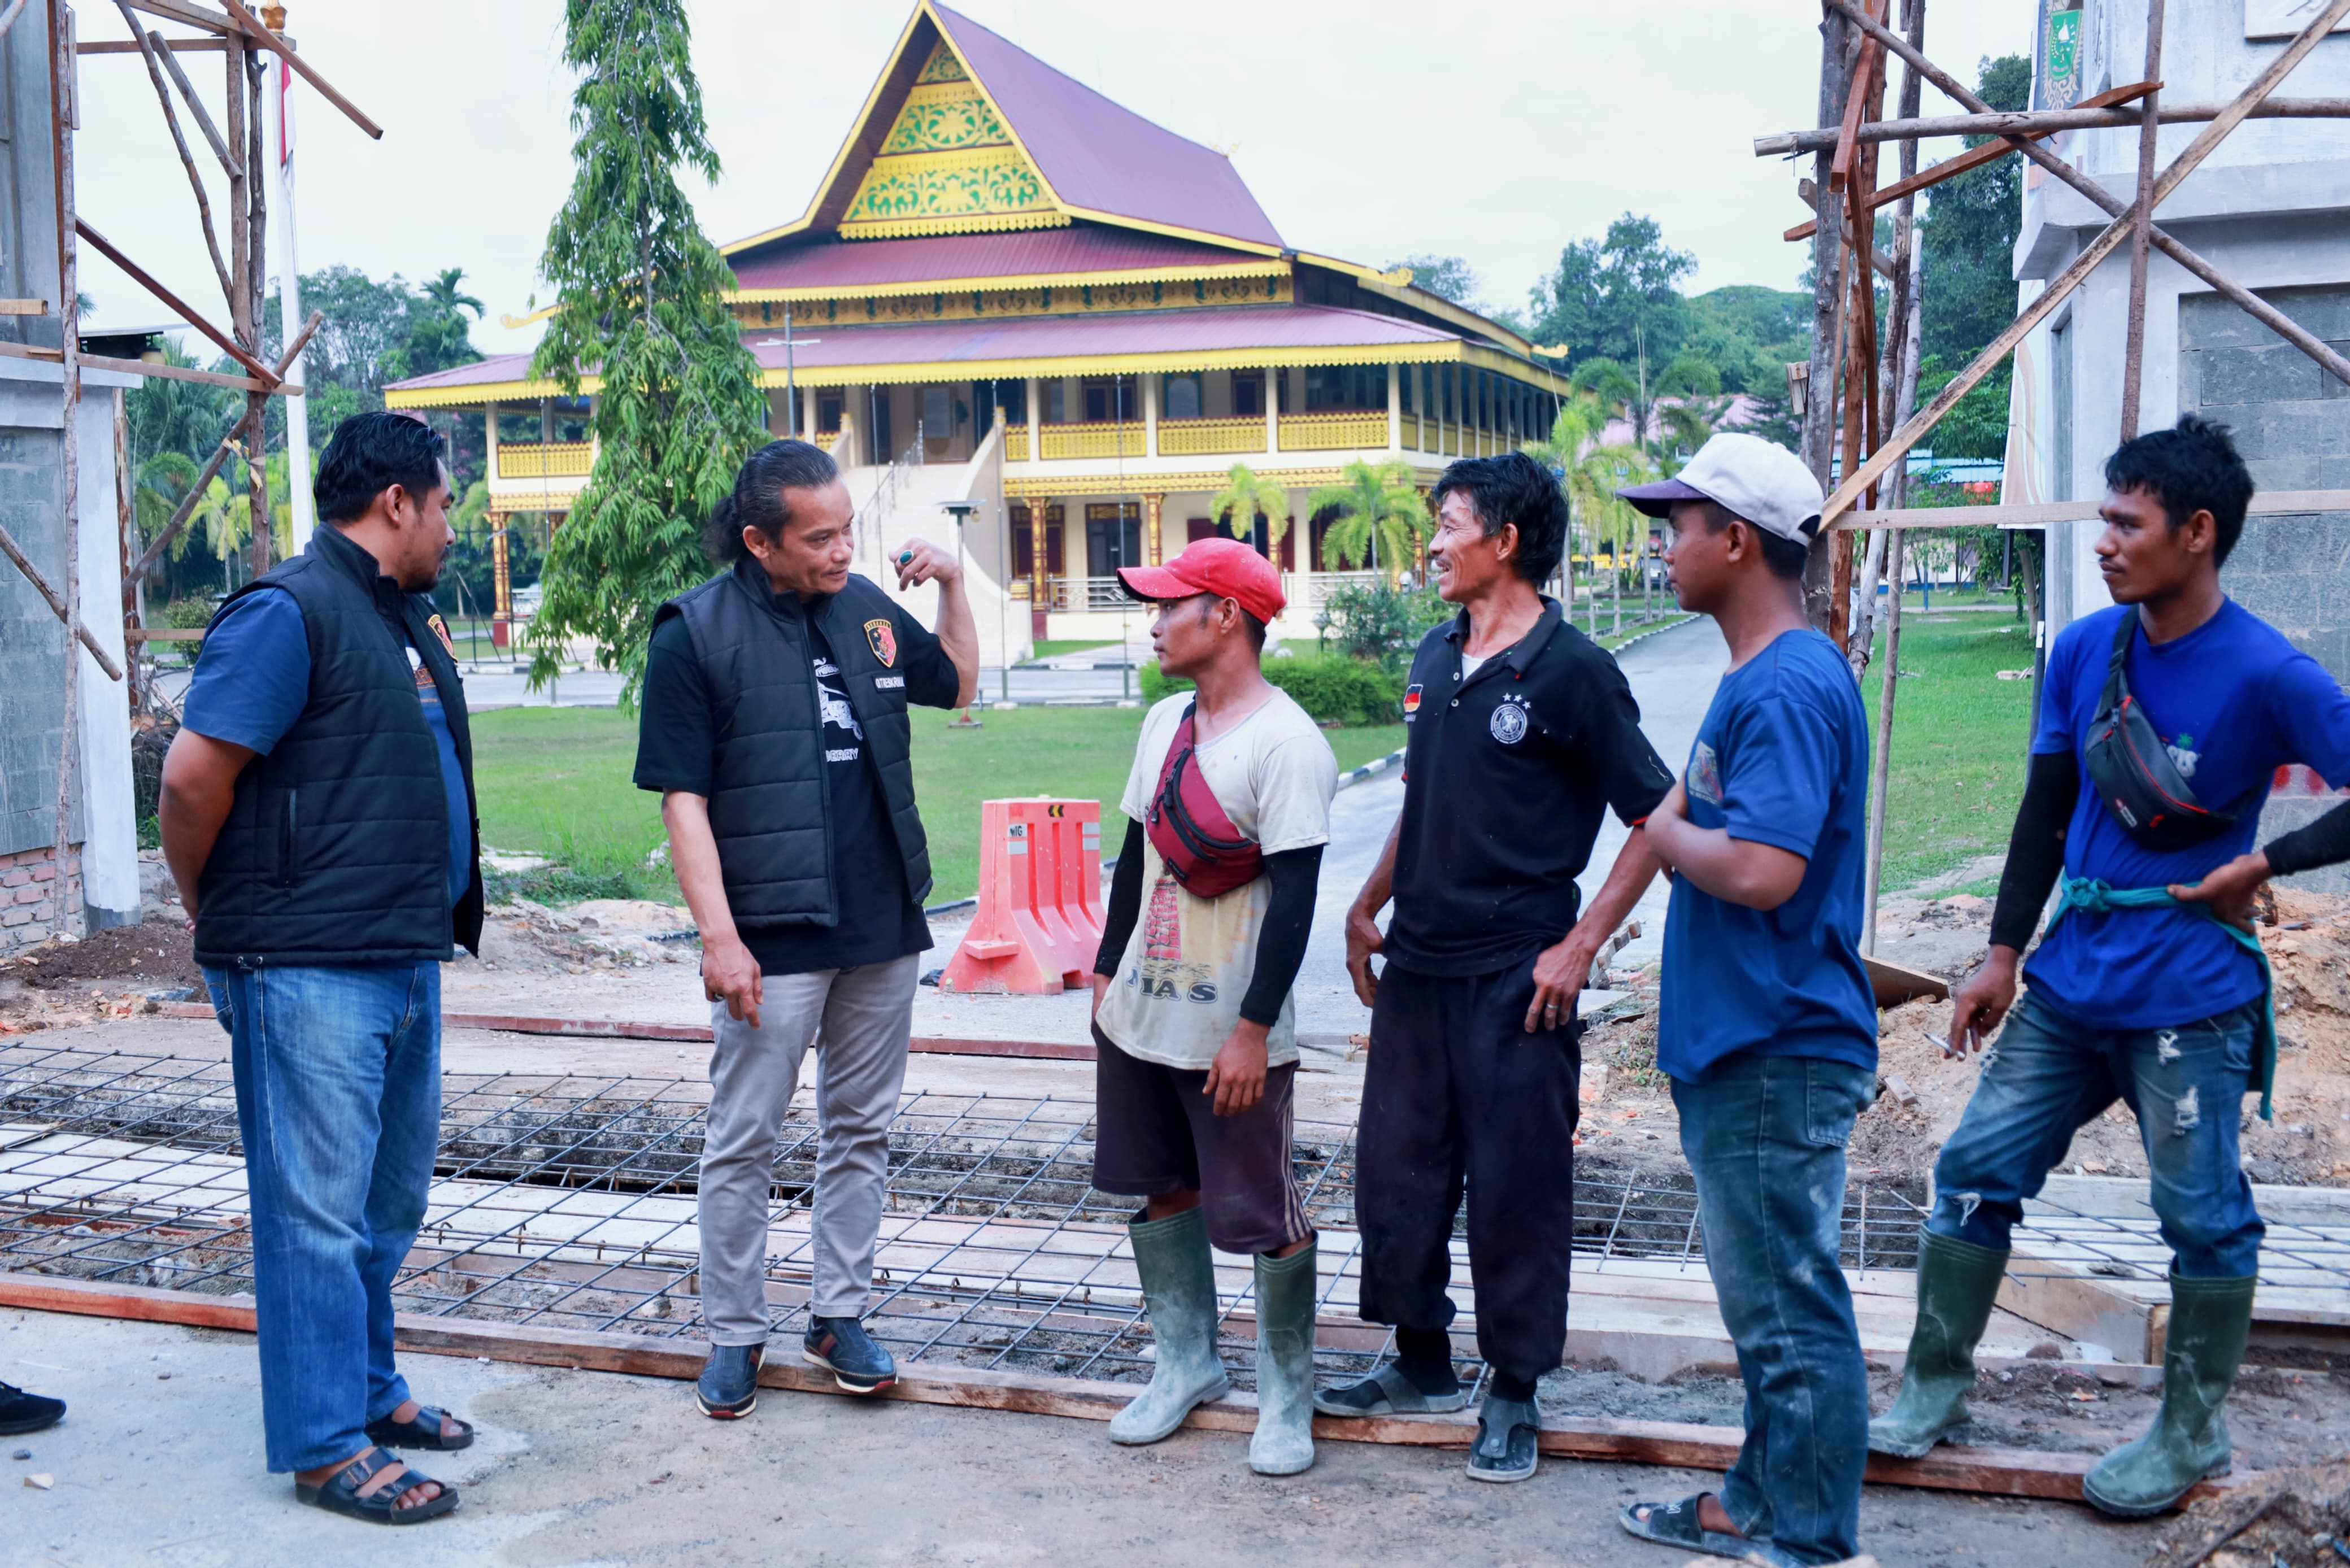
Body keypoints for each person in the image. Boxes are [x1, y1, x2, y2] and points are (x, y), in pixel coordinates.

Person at [1869, 416, 2350, 1516]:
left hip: (2191, 995)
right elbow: (2046, 803)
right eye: (2103, 516)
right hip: (2070, 978)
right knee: (1976, 1167)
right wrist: (1998, 953)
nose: (2103, 540)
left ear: (2195, 531)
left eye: (2127, 523)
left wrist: (2264, 860)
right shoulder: (2087, 648)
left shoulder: (2267, 670)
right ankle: (1933, 1387)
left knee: (2205, 1216)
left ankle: (2190, 1428)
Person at [157, 411, 480, 1525]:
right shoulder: (288, 611)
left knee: (385, 1205)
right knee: (314, 1216)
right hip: (305, 964)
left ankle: (371, 1390)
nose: (451, 527)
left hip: (400, 954)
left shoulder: (397, 617)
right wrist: (223, 917)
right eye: (443, 505)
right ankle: (322, 1441)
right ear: (395, 501)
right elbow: (193, 783)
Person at [1329, 451, 1674, 1484]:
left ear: (1505, 541)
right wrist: (1365, 900)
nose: (1432, 542)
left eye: (1448, 523)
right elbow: (1424, 797)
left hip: (1518, 979)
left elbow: (1657, 819)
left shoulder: (1574, 671)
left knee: (1517, 1188)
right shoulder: (1438, 655)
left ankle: (1515, 1389)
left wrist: (1581, 947)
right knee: (1396, 1174)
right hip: (1419, 972)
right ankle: (1422, 1360)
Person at [635, 438, 977, 1418]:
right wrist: (718, 937)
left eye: (848, 531)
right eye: (820, 538)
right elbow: (683, 802)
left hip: (882, 925)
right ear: (759, 540)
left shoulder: (866, 607)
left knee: (859, 1130)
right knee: (744, 1138)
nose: (841, 551)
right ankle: (734, 1333)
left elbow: (957, 683)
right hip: (771, 936)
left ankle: (839, 1315)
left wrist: (951, 584)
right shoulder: (693, 635)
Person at [1614, 433, 1877, 1568]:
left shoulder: (1787, 685)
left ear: (1735, 540)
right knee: (1766, 1302)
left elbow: (1764, 868)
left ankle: (1816, 1539)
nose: (1662, 546)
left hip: (1775, 1042)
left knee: (1786, 1309)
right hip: (1748, 1039)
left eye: (1677, 525)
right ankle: (1757, 1498)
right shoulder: (1764, 674)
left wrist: (1670, 835)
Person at [1086, 538, 1337, 1477]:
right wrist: (1105, 973)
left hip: (1232, 1028)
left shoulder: (1287, 744)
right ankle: (1186, 1364)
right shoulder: (1162, 723)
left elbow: (1297, 902)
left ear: (1224, 617)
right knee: (1162, 1187)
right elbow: (1132, 855)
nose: (1153, 624)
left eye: (1168, 606)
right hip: (1143, 1012)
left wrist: (1252, 1030)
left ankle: (1286, 1392)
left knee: (1263, 1208)